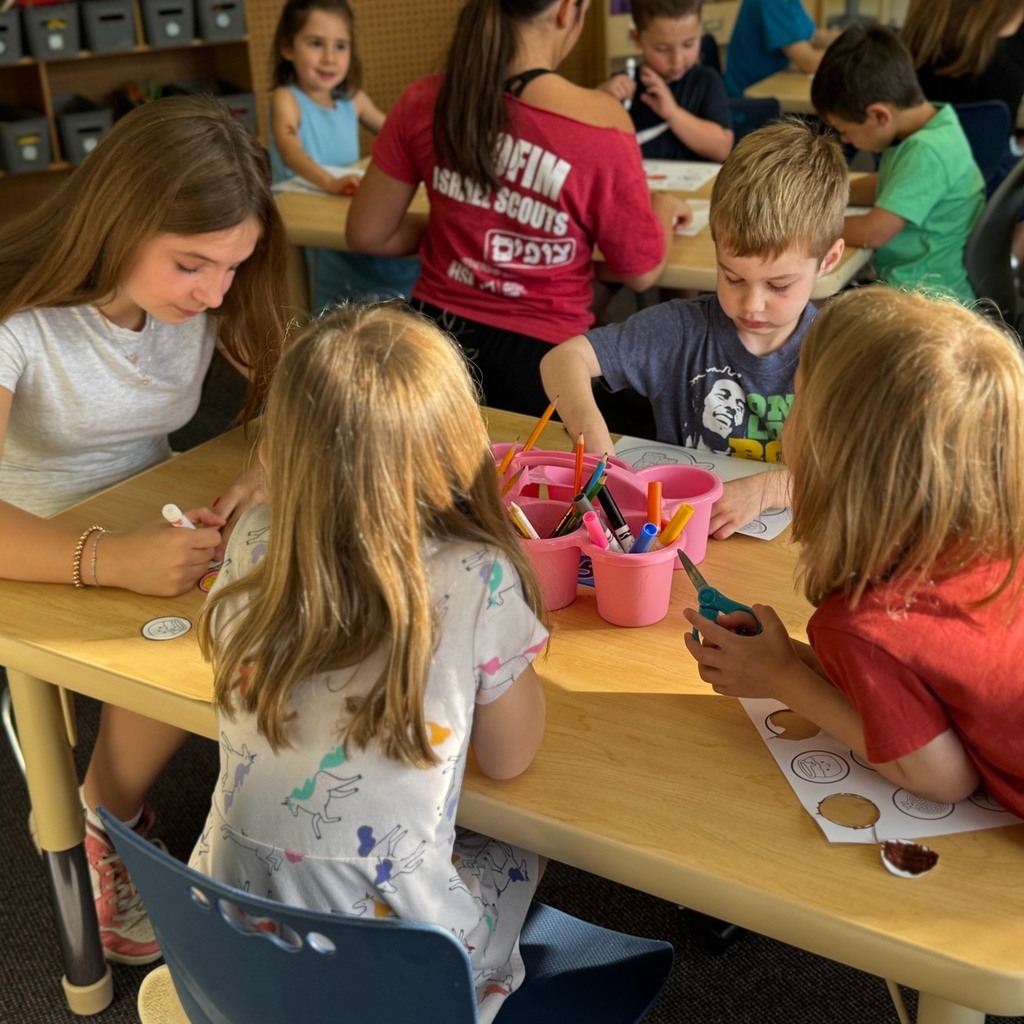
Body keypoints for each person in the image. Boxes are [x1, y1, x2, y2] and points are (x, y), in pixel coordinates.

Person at [190, 303, 548, 1024]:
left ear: (282, 447)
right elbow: (511, 758)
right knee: (521, 847)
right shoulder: (478, 573)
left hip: (231, 941)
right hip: (405, 973)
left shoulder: (252, 537)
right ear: (457, 444)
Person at [0, 94, 288, 965]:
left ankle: (263, 823)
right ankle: (104, 820)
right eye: (193, 266)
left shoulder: (210, 293)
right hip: (35, 544)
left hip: (149, 508)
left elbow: (296, 389)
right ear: (119, 225)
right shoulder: (20, 321)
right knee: (199, 633)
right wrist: (110, 560)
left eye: (233, 269)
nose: (215, 293)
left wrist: (257, 472)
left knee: (268, 593)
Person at [684, 288, 1024, 818]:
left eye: (796, 403)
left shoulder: (865, 624)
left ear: (827, 452)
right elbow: (939, 686)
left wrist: (783, 680)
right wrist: (793, 659)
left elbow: (943, 775)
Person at [345, 0, 691, 419]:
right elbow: (642, 271)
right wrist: (664, 208)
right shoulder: (602, 122)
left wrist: (458, 227)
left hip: (432, 351)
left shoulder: (425, 98)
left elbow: (369, 232)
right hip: (541, 367)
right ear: (567, 10)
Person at [539, 117, 846, 539]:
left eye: (779, 285)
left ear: (828, 261)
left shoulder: (839, 350)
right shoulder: (680, 330)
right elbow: (562, 359)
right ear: (717, 244)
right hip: (681, 539)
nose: (752, 304)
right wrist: (591, 432)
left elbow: (872, 467)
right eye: (732, 277)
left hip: (795, 551)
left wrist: (775, 488)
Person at [811, 23, 984, 304]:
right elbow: (890, 186)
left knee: (812, 315)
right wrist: (825, 191)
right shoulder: (935, 126)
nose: (846, 140)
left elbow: (872, 232)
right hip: (917, 290)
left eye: (844, 131)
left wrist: (808, 224)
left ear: (879, 116)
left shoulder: (927, 153)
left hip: (925, 302)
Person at [269, 0, 419, 311]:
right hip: (307, 225)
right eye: (315, 44)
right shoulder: (287, 99)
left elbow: (398, 134)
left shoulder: (354, 99)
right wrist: (328, 182)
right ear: (287, 47)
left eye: (340, 46)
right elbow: (290, 151)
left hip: (344, 212)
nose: (328, 58)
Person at [597, 0, 733, 162]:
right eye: (662, 49)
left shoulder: (706, 81)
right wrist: (600, 97)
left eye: (688, 44)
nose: (676, 60)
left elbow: (723, 149)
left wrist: (672, 113)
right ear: (637, 38)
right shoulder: (623, 85)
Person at [722, 0, 839, 99]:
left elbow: (812, 36)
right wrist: (848, 53)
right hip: (749, 101)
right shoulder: (772, 2)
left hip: (772, 89)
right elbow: (809, 62)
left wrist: (848, 38)